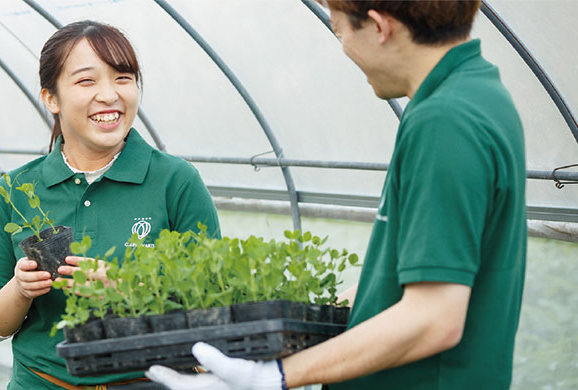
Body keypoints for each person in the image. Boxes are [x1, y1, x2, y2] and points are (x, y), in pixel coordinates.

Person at [146, 1, 526, 389]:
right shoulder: (473, 92)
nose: (342, 47)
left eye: (339, 31)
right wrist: (290, 325)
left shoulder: (447, 120)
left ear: (379, 27)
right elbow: (407, 272)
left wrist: (275, 376)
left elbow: (434, 317)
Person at [0, 21, 220, 390]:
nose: (109, 95)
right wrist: (20, 290)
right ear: (50, 98)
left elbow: (216, 308)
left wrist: (124, 287)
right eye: (87, 81)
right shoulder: (15, 191)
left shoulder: (175, 181)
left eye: (123, 78)